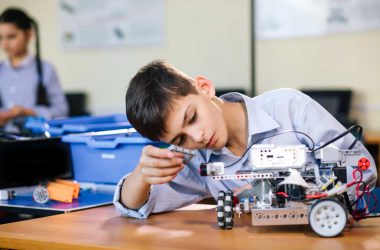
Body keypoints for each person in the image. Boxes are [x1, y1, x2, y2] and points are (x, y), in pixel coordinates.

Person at [114, 60, 377, 219]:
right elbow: (132, 206)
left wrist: (307, 200)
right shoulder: (195, 158)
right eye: (180, 139)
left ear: (204, 88)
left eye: (192, 117)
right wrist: (142, 175)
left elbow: (361, 171)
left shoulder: (289, 108)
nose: (197, 137)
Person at [0, 8, 68, 130]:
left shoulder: (46, 69)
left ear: (28, 34)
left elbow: (61, 112)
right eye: (0, 38)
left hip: (36, 140)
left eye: (11, 36)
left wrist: (27, 111)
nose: (5, 44)